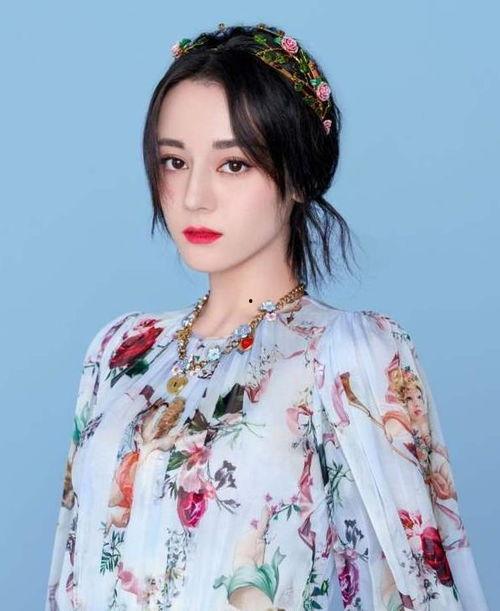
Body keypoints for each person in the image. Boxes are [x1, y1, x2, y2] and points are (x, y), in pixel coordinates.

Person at [45, 22, 488, 611]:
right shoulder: (122, 351)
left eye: (234, 165)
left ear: (300, 175)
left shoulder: (346, 354)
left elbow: (418, 587)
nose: (195, 196)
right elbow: (69, 571)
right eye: (174, 161)